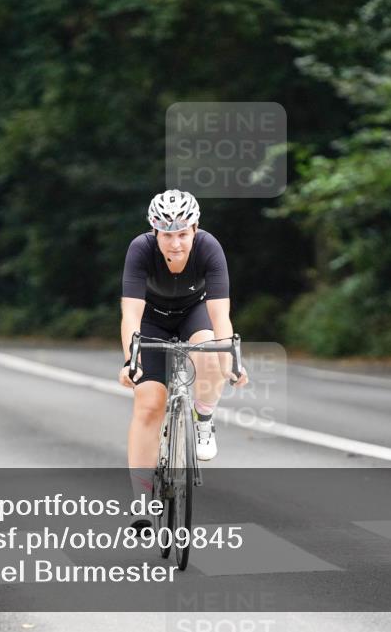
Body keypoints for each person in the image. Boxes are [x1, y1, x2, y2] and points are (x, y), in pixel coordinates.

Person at [119, 190, 248, 531]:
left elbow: (220, 316)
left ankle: (203, 418)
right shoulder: (140, 249)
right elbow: (131, 314)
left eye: (182, 234)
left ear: (195, 229)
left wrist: (230, 362)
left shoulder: (209, 247)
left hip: (194, 314)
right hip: (152, 321)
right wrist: (131, 360)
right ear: (154, 232)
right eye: (166, 235)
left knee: (212, 353)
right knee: (149, 403)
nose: (175, 243)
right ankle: (142, 499)